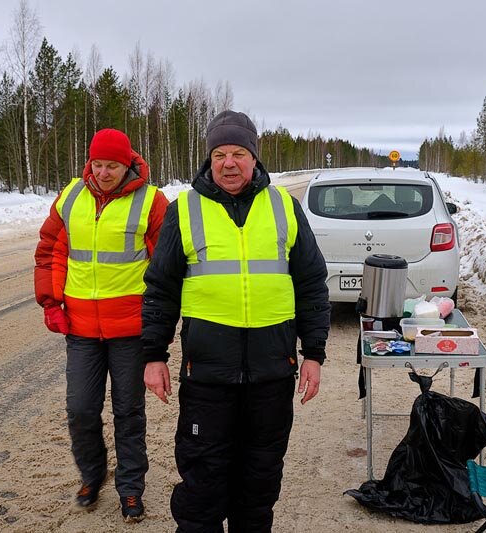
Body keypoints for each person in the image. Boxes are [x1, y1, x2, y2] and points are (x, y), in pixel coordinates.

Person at [142, 110, 330, 532]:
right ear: (209, 159)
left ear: (254, 158)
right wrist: (153, 355)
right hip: (207, 378)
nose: (229, 163)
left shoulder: (284, 207)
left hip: (272, 376)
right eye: (220, 154)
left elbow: (312, 284)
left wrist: (313, 353)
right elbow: (160, 288)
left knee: (259, 486)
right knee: (202, 487)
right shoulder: (185, 210)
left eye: (239, 153)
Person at [34, 128, 168, 522]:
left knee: (129, 412)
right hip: (81, 331)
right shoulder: (72, 195)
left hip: (131, 331)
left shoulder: (151, 201)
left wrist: (160, 323)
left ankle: (130, 489)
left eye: (112, 165)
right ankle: (92, 476)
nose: (104, 172)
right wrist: (50, 301)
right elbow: (50, 249)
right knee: (80, 410)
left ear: (128, 163)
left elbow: (164, 268)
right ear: (88, 162)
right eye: (97, 164)